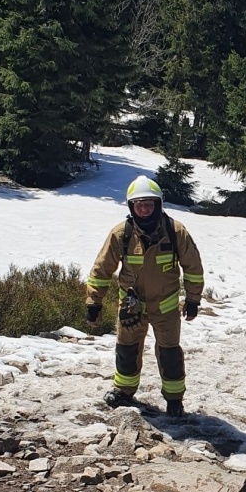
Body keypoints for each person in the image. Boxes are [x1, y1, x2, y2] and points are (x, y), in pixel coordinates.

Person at [84, 175, 204, 417]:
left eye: (149, 204)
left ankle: (174, 400)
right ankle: (124, 391)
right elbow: (101, 269)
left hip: (166, 307)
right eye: (139, 204)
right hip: (131, 307)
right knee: (127, 350)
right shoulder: (121, 233)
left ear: (158, 205)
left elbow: (193, 267)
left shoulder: (175, 231)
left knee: (170, 352)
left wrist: (193, 299)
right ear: (131, 207)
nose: (145, 209)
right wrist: (93, 302)